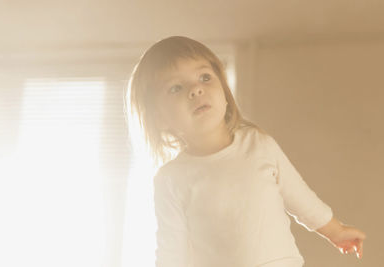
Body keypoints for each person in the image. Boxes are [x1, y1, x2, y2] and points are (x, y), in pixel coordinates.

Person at [127, 36, 366, 267]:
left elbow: (300, 198)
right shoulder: (171, 179)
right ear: (158, 118)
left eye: (204, 77)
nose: (195, 90)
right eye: (176, 88)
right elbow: (171, 251)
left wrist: (336, 230)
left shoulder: (259, 145)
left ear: (224, 91)